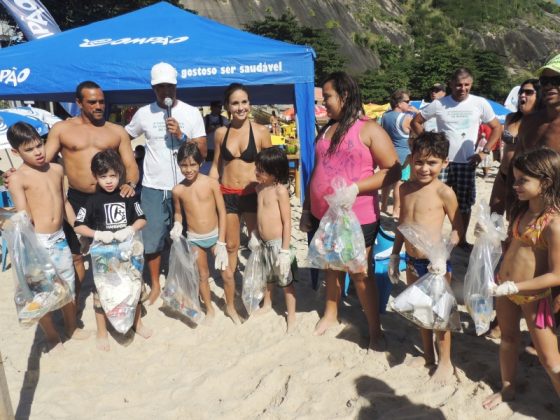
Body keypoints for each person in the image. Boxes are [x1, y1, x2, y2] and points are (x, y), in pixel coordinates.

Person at [14, 81, 140, 308]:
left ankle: (120, 300)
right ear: (78, 103)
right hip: (77, 199)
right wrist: (18, 172)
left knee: (116, 251)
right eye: (92, 102)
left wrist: (130, 184)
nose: (99, 106)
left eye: (101, 101)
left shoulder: (116, 131)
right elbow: (42, 161)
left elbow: (130, 165)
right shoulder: (62, 129)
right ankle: (76, 302)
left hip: (108, 199)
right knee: (76, 256)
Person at [299, 71, 401, 349]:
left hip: (358, 214)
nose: (324, 102)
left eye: (328, 96)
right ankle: (331, 313)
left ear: (344, 96)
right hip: (325, 213)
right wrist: (308, 209)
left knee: (359, 272)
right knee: (332, 264)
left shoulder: (368, 129)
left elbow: (393, 170)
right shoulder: (327, 129)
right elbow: (315, 172)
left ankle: (374, 329)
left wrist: (356, 187)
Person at [482, 148, 560, 409]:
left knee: (550, 360)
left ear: (546, 182)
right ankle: (508, 387)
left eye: (522, 180)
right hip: (505, 290)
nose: (514, 185)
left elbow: (556, 274)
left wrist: (516, 285)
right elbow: (514, 249)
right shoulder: (522, 210)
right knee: (508, 340)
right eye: (514, 178)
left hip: (534, 296)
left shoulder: (553, 224)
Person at [125, 62, 207, 305]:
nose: (165, 92)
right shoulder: (143, 113)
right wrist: (129, 170)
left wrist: (182, 136)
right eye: (160, 87)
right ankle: (156, 285)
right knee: (152, 239)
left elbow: (202, 150)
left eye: (169, 86)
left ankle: (184, 281)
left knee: (186, 237)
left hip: (186, 186)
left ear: (176, 86)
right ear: (153, 89)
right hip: (153, 186)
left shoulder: (191, 113)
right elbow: (123, 138)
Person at [6, 122, 88, 351]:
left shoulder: (57, 169)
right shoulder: (17, 178)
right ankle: (52, 336)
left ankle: (71, 327)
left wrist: (77, 227)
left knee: (68, 287)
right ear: (16, 152)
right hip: (37, 243)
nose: (38, 152)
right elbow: (24, 216)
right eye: (29, 149)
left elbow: (63, 202)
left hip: (59, 238)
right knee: (41, 295)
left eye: (39, 145)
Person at [388, 131, 462, 384]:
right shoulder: (405, 188)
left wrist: (444, 255)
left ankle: (445, 361)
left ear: (444, 163)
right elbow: (402, 224)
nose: (424, 168)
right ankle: (428, 356)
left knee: (440, 315)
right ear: (411, 159)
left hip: (435, 265)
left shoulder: (444, 192)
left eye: (432, 163)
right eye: (419, 161)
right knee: (421, 311)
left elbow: (457, 229)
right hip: (411, 260)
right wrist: (395, 254)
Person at [411, 68, 502, 248]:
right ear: (451, 84)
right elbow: (415, 122)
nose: (462, 88)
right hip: (441, 162)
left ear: (471, 84)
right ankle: (433, 237)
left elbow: (497, 127)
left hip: (466, 162)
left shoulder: (479, 103)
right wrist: (429, 144)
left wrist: (483, 152)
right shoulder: (439, 104)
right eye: (459, 85)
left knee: (464, 203)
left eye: (466, 85)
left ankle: (461, 240)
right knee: (434, 199)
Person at [74, 150, 151, 351]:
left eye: (112, 176)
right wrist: (97, 235)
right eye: (103, 176)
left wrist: (130, 228)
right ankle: (102, 331)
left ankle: (137, 323)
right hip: (103, 255)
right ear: (95, 177)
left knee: (134, 288)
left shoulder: (128, 195)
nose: (108, 181)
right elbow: (78, 225)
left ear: (120, 174)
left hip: (128, 252)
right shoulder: (91, 200)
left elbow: (142, 219)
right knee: (102, 293)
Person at [209, 83, 272, 315]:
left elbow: (271, 167)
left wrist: (273, 197)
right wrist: (209, 190)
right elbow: (216, 166)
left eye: (244, 102)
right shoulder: (220, 133)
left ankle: (266, 298)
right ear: (227, 106)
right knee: (232, 246)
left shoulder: (261, 132)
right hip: (227, 195)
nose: (240, 107)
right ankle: (232, 293)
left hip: (253, 195)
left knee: (260, 245)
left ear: (250, 104)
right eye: (235, 103)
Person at [169, 142, 230, 323]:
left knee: (226, 273)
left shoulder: (211, 183)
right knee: (202, 275)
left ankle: (230, 306)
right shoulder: (178, 190)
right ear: (178, 164)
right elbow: (179, 213)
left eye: (192, 164)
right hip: (194, 238)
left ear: (201, 162)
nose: (188, 169)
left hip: (214, 235)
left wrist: (221, 241)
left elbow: (222, 212)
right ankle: (210, 308)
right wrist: (177, 224)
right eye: (184, 165)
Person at [251, 147, 296, 332]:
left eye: (261, 170)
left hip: (278, 244)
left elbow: (287, 222)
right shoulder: (259, 188)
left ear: (274, 172)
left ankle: (291, 315)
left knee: (286, 281)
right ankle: (267, 304)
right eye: (257, 168)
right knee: (267, 277)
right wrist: (254, 233)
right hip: (263, 243)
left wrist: (285, 251)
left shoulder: (280, 191)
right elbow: (259, 215)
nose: (257, 173)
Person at [489, 78, 542, 215]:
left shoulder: (542, 124)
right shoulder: (510, 119)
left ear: (539, 96)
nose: (522, 95)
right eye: (521, 92)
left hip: (524, 180)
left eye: (529, 92)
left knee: (515, 220)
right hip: (503, 174)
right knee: (493, 216)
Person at [380, 89, 414, 216]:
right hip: (404, 154)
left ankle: (383, 206)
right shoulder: (406, 118)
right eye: (407, 101)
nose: (409, 104)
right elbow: (420, 130)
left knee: (387, 181)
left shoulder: (385, 116)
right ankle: (395, 211)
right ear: (399, 103)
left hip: (388, 152)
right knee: (399, 183)